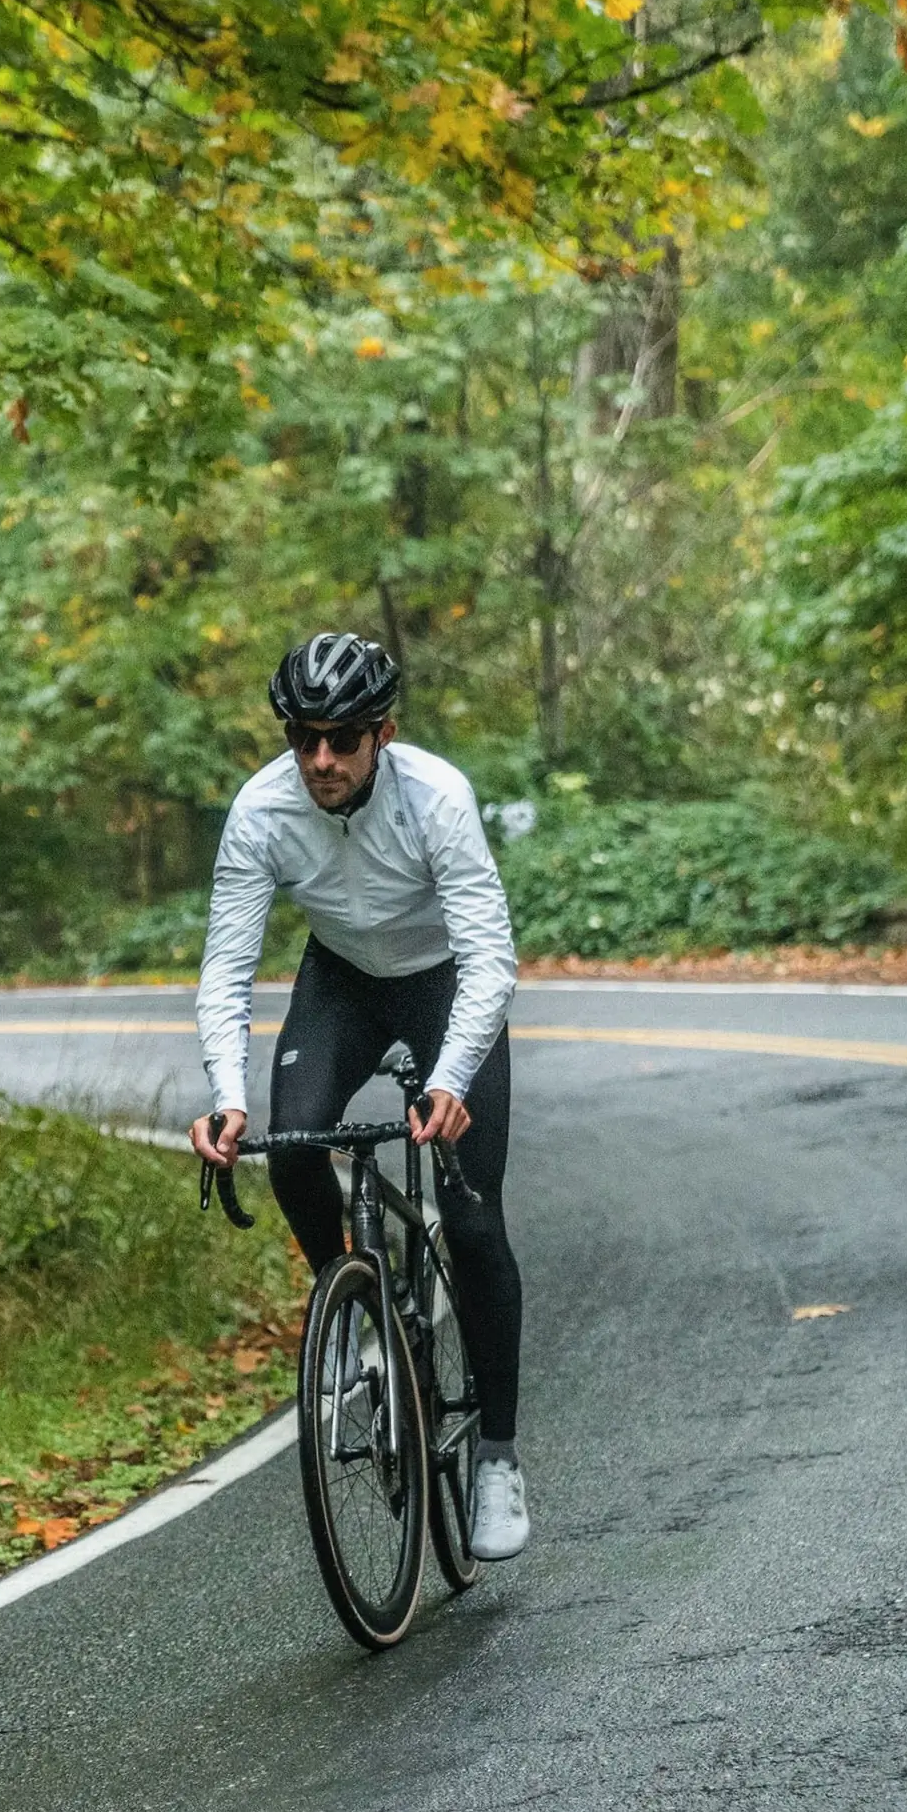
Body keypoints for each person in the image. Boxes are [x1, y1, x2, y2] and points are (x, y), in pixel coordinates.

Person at [187, 630, 530, 1560]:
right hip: (340, 980)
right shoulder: (261, 809)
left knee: (472, 1219)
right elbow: (225, 970)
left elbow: (491, 959)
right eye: (302, 739)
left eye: (341, 739)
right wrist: (226, 1095)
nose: (320, 760)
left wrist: (450, 1079)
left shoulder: (436, 796)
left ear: (383, 733)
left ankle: (497, 1456)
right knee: (294, 1144)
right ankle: (355, 1316)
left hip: (443, 981)